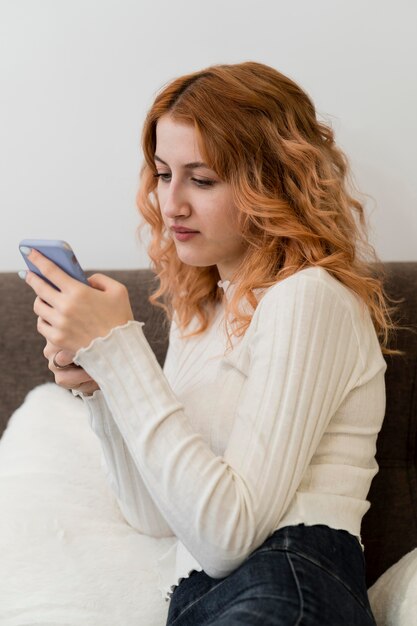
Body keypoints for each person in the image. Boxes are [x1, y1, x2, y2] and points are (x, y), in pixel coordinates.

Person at [20, 61, 399, 625]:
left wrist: (121, 348)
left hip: (290, 584)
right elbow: (156, 516)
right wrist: (103, 387)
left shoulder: (307, 299)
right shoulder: (200, 313)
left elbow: (229, 536)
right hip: (201, 601)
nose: (171, 204)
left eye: (202, 179)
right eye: (163, 173)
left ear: (272, 181)